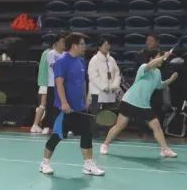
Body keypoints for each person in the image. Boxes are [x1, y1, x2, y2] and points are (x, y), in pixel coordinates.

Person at [39, 33, 105, 177]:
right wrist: (64, 102)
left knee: (87, 133)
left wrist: (85, 99)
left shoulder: (81, 61)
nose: (84, 47)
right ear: (74, 45)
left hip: (79, 107)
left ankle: (88, 165)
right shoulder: (62, 61)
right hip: (65, 109)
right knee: (57, 135)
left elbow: (82, 82)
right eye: (82, 44)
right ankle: (44, 163)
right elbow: (59, 83)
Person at [100, 50, 179, 158]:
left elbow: (160, 85)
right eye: (158, 57)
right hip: (130, 101)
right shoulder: (144, 67)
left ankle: (164, 150)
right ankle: (105, 144)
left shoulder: (157, 73)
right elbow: (151, 65)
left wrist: (171, 79)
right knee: (120, 125)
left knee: (156, 126)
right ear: (151, 59)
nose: (161, 60)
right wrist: (163, 57)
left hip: (144, 105)